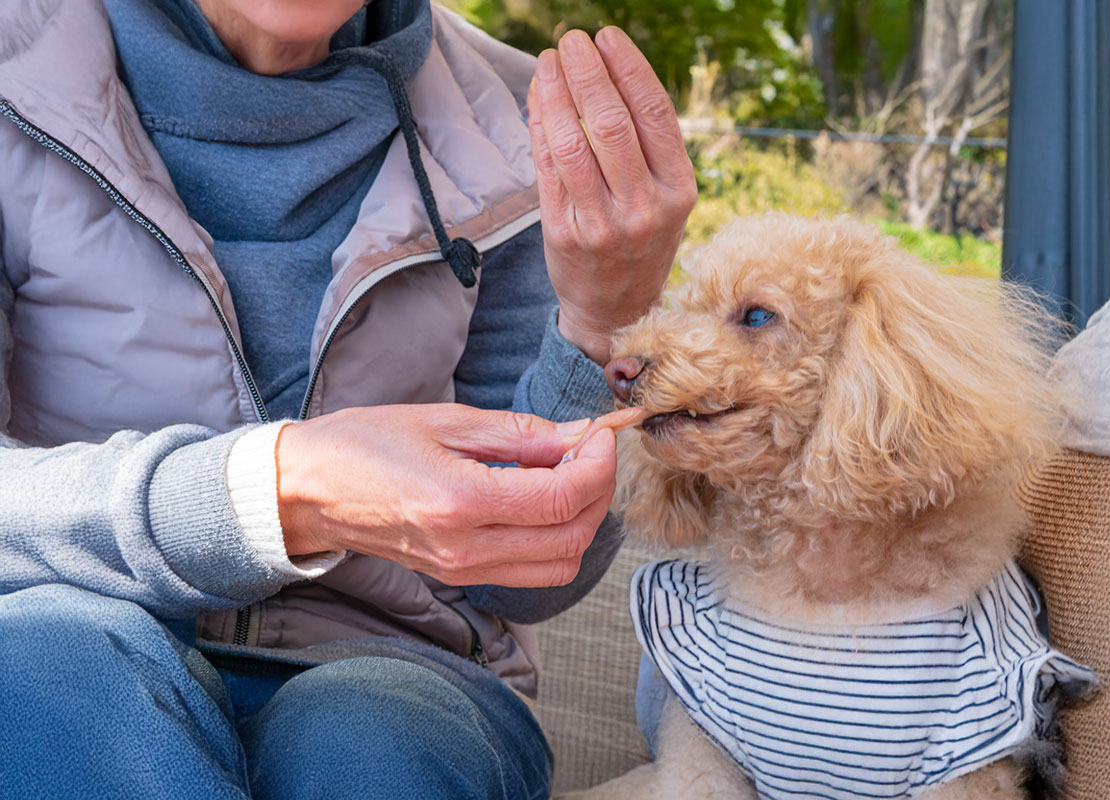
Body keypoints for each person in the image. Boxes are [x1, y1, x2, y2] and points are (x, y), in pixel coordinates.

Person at [0, 0, 696, 798]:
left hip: (401, 672)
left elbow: (522, 585)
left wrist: (606, 325)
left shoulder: (518, 122)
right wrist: (278, 490)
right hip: (64, 634)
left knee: (367, 745)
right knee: (53, 676)